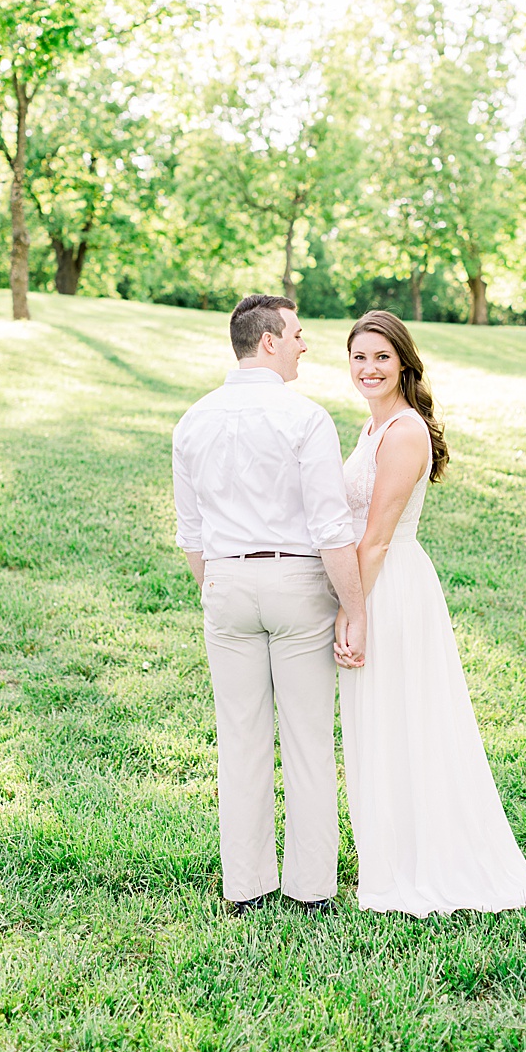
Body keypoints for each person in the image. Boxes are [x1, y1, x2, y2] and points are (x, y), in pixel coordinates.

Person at [334, 310, 526, 917]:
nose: (369, 368)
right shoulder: (372, 426)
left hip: (389, 586)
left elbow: (377, 538)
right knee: (382, 721)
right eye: (359, 357)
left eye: (381, 357)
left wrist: (352, 611)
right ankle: (392, 851)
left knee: (404, 720)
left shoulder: (405, 432)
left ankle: (425, 860)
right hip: (372, 581)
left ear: (403, 362)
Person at [172, 294, 368, 915]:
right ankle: (310, 891)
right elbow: (331, 528)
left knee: (240, 741)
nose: (304, 344)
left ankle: (246, 888)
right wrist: (355, 607)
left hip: (225, 583)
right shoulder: (305, 418)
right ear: (269, 341)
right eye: (297, 334)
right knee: (307, 740)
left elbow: (191, 533)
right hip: (297, 581)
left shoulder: (192, 421)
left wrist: (218, 588)